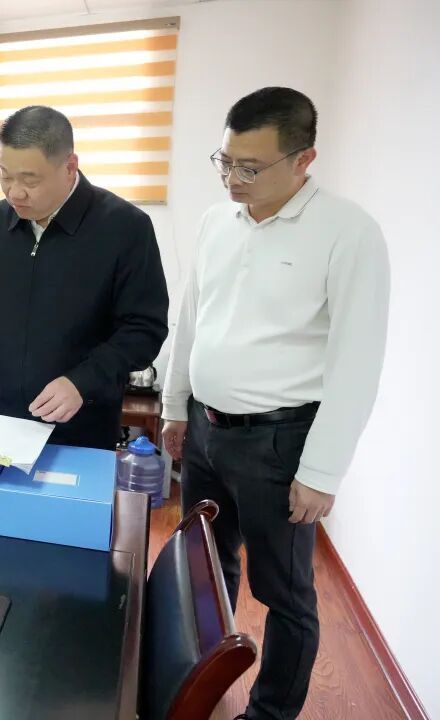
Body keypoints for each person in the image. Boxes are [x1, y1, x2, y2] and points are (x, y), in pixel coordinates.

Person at [160, 87, 389, 720]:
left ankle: (269, 715)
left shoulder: (348, 233)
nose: (233, 178)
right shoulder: (216, 222)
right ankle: (196, 685)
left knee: (284, 594)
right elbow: (191, 318)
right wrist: (175, 405)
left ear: (303, 159)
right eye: (226, 161)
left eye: (251, 167)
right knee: (206, 566)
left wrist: (322, 471)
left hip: (279, 443)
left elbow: (358, 362)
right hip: (205, 430)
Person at [0, 105, 168, 449]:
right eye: (5, 175)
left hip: (82, 427)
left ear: (69, 167)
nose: (14, 192)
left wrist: (82, 381)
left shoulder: (125, 227)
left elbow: (144, 329)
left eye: (30, 180)